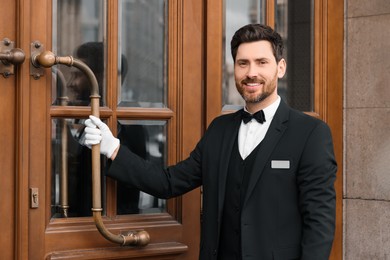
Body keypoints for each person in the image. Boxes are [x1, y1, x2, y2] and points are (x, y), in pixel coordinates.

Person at [83, 24, 337, 260]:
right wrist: (113, 148)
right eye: (242, 63)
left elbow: (320, 223)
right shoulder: (220, 129)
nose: (251, 73)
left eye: (262, 62)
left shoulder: (311, 133)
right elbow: (168, 182)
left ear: (280, 68)